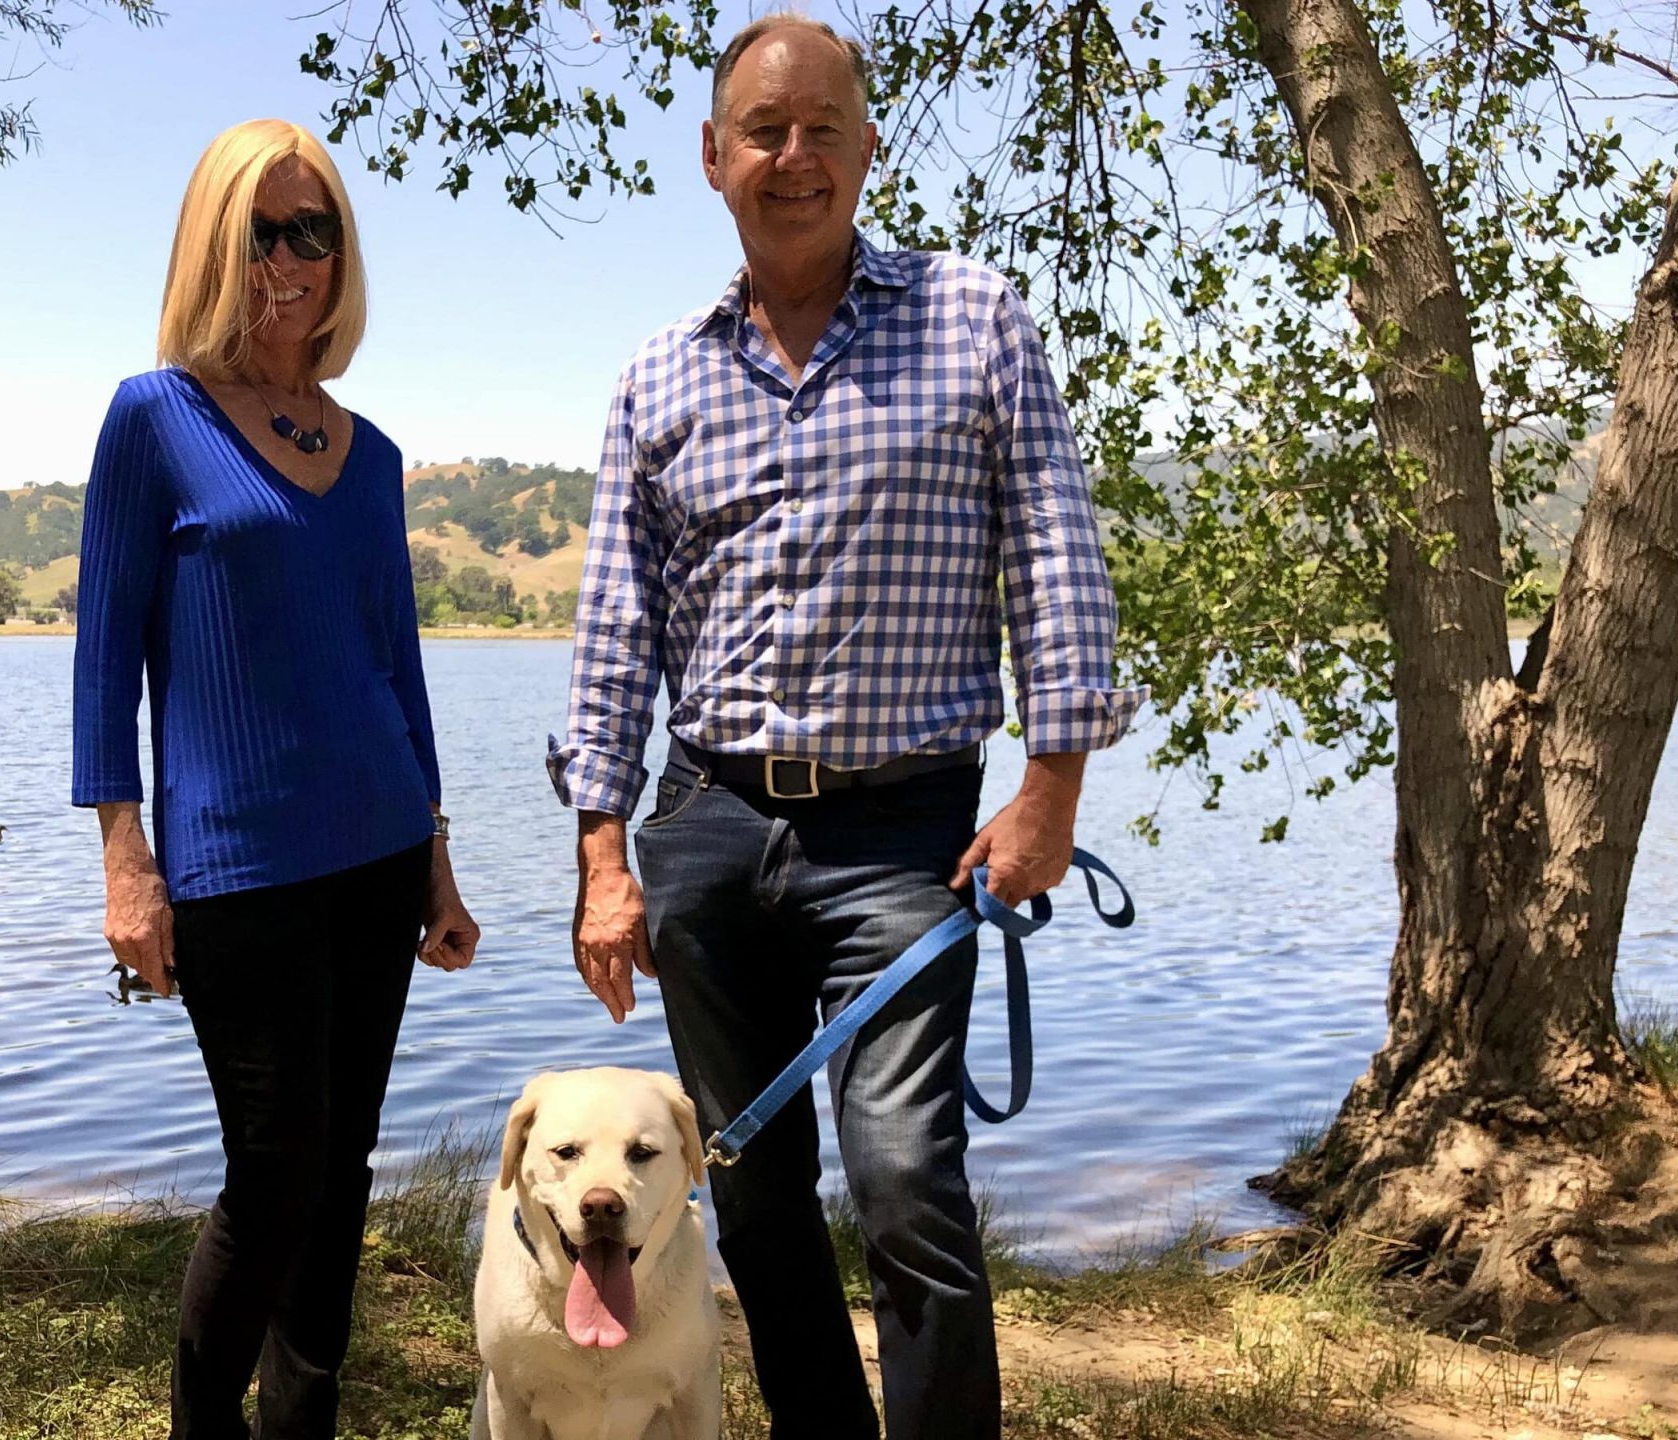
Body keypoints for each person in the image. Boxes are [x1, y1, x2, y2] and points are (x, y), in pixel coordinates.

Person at [547, 14, 1145, 1438]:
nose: (794, 156)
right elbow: (616, 624)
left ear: (869, 146)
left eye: (823, 127)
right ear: (713, 158)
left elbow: (1054, 553)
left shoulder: (973, 318)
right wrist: (602, 852)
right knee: (749, 1191)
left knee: (903, 1188)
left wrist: (1050, 786)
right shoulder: (659, 375)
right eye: (765, 131)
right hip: (704, 830)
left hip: (902, 838)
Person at [72, 117, 481, 1440]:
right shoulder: (155, 420)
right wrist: (125, 863)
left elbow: (395, 665)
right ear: (214, 240)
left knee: (342, 1173)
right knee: (276, 1170)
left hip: (374, 854)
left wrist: (436, 852)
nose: (293, 260)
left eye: (317, 232)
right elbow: (104, 662)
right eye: (265, 230)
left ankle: (303, 1420)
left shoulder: (370, 456)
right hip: (236, 870)